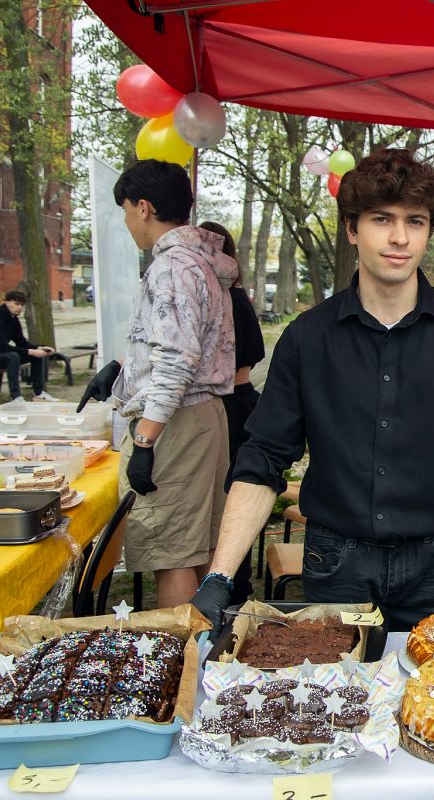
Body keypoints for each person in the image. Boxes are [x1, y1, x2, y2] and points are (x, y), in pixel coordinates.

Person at [191, 148, 434, 634]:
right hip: (335, 561)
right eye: (382, 219)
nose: (399, 237)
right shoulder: (307, 338)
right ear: (352, 228)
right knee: (338, 683)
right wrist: (220, 576)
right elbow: (262, 458)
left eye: (415, 221)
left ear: (429, 232)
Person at [76, 159, 237, 609]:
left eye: (127, 209)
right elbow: (183, 342)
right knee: (198, 547)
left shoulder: (172, 266)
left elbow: (178, 363)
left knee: (174, 554)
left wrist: (145, 441)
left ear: (143, 207)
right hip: (200, 416)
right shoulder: (200, 260)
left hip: (175, 421)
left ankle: (179, 652)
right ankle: (204, 646)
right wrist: (122, 369)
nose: (128, 221)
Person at [198, 220, 265, 608]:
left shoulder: (232, 300)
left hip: (233, 405)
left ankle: (233, 582)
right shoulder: (220, 298)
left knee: (232, 494)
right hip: (230, 402)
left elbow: (247, 359)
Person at [0, 290, 57, 401]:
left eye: (22, 305)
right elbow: (2, 347)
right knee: (13, 356)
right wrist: (31, 351)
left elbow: (21, 342)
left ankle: (39, 393)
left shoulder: (13, 319)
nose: (19, 308)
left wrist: (39, 348)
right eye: (16, 304)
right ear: (7, 302)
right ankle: (16, 397)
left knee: (37, 355)